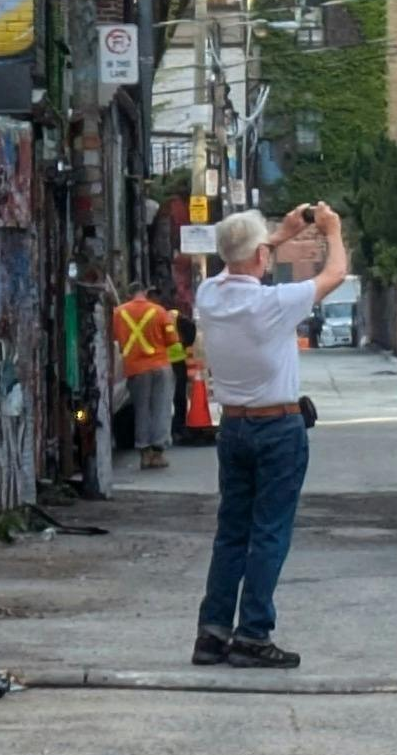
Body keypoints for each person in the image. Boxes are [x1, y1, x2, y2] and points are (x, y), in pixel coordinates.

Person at [192, 204, 351, 669]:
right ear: (262, 256)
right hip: (277, 427)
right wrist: (332, 230)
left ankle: (212, 631)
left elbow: (239, 262)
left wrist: (277, 235)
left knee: (232, 532)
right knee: (269, 532)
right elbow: (336, 272)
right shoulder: (273, 303)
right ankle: (253, 633)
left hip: (234, 426)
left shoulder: (209, 295)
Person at [111, 283, 178, 470]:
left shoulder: (119, 313)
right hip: (161, 366)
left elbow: (113, 338)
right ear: (146, 294)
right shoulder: (159, 311)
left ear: (128, 294)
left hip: (136, 369)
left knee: (141, 410)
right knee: (161, 408)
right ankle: (158, 452)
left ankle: (144, 453)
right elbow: (172, 340)